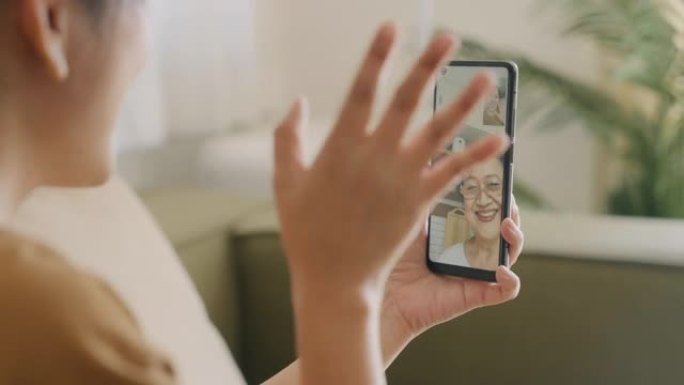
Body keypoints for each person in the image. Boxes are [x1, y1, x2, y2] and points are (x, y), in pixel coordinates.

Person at [0, 1, 525, 384]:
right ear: (50, 19)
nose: (146, 50)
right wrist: (336, 297)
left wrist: (379, 313)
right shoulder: (43, 315)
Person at [435, 157, 505, 270]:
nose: (482, 201)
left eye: (493, 184)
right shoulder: (448, 259)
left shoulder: (521, 262)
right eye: (471, 187)